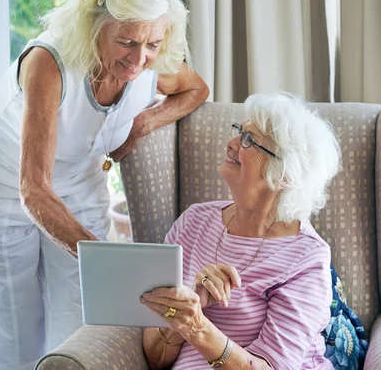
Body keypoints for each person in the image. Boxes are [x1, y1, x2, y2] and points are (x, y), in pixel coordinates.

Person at [0, 0, 208, 369]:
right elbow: (34, 189)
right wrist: (103, 258)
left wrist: (140, 125)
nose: (139, 57)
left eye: (152, 44)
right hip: (2, 183)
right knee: (10, 334)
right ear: (96, 26)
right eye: (126, 41)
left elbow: (196, 90)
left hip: (78, 181)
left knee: (82, 321)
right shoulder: (48, 63)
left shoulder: (148, 63)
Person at [140, 92, 341, 369]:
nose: (231, 143)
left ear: (284, 174)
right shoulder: (194, 223)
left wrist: (197, 326)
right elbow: (156, 358)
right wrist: (188, 308)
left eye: (249, 140)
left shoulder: (306, 256)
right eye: (239, 132)